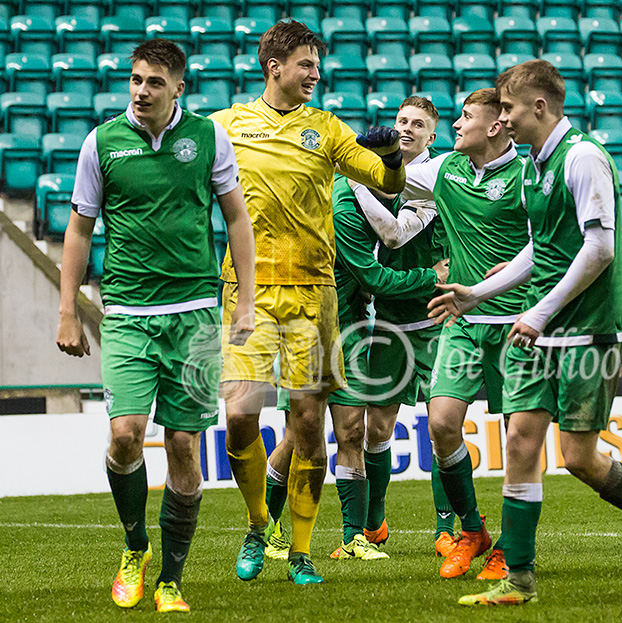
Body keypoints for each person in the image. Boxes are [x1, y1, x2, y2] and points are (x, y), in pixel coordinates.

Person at [429, 60, 622, 606]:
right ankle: (519, 579)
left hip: (585, 329)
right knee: (521, 442)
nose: (500, 118)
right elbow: (542, 248)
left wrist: (539, 313)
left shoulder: (583, 157)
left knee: (579, 458)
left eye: (507, 108)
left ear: (539, 107)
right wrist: (478, 294)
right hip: (540, 324)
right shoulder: (533, 165)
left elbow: (598, 249)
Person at [56, 38, 256, 613]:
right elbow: (78, 229)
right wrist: (69, 311)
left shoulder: (209, 138)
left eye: (154, 83)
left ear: (179, 87)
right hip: (125, 313)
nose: (142, 91)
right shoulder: (102, 143)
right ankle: (134, 545)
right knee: (123, 436)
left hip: (194, 314)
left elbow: (237, 219)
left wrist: (244, 300)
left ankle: (170, 578)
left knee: (186, 449)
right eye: (136, 80)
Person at [209, 19, 406, 586]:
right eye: (306, 65)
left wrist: (391, 156)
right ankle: (255, 525)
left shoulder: (326, 128)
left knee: (307, 421)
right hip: (246, 291)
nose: (315, 74)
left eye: (317, 66)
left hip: (313, 294)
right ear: (275, 67)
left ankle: (299, 552)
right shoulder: (226, 126)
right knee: (241, 417)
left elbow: (387, 183)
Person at [379, 88, 529, 580]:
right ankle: (471, 529)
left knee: (518, 439)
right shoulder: (444, 170)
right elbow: (383, 178)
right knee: (442, 423)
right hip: (462, 320)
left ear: (494, 127)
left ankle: (509, 544)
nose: (457, 124)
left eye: (466, 117)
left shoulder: (528, 177)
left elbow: (550, 238)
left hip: (515, 324)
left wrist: (523, 264)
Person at [353, 97, 455, 556]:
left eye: (418, 125)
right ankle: (374, 524)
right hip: (390, 320)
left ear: (432, 137)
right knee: (377, 428)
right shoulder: (380, 172)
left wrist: (352, 180)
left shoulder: (435, 178)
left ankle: (447, 528)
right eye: (401, 121)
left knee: (441, 426)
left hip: (435, 320)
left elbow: (394, 233)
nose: (407, 129)